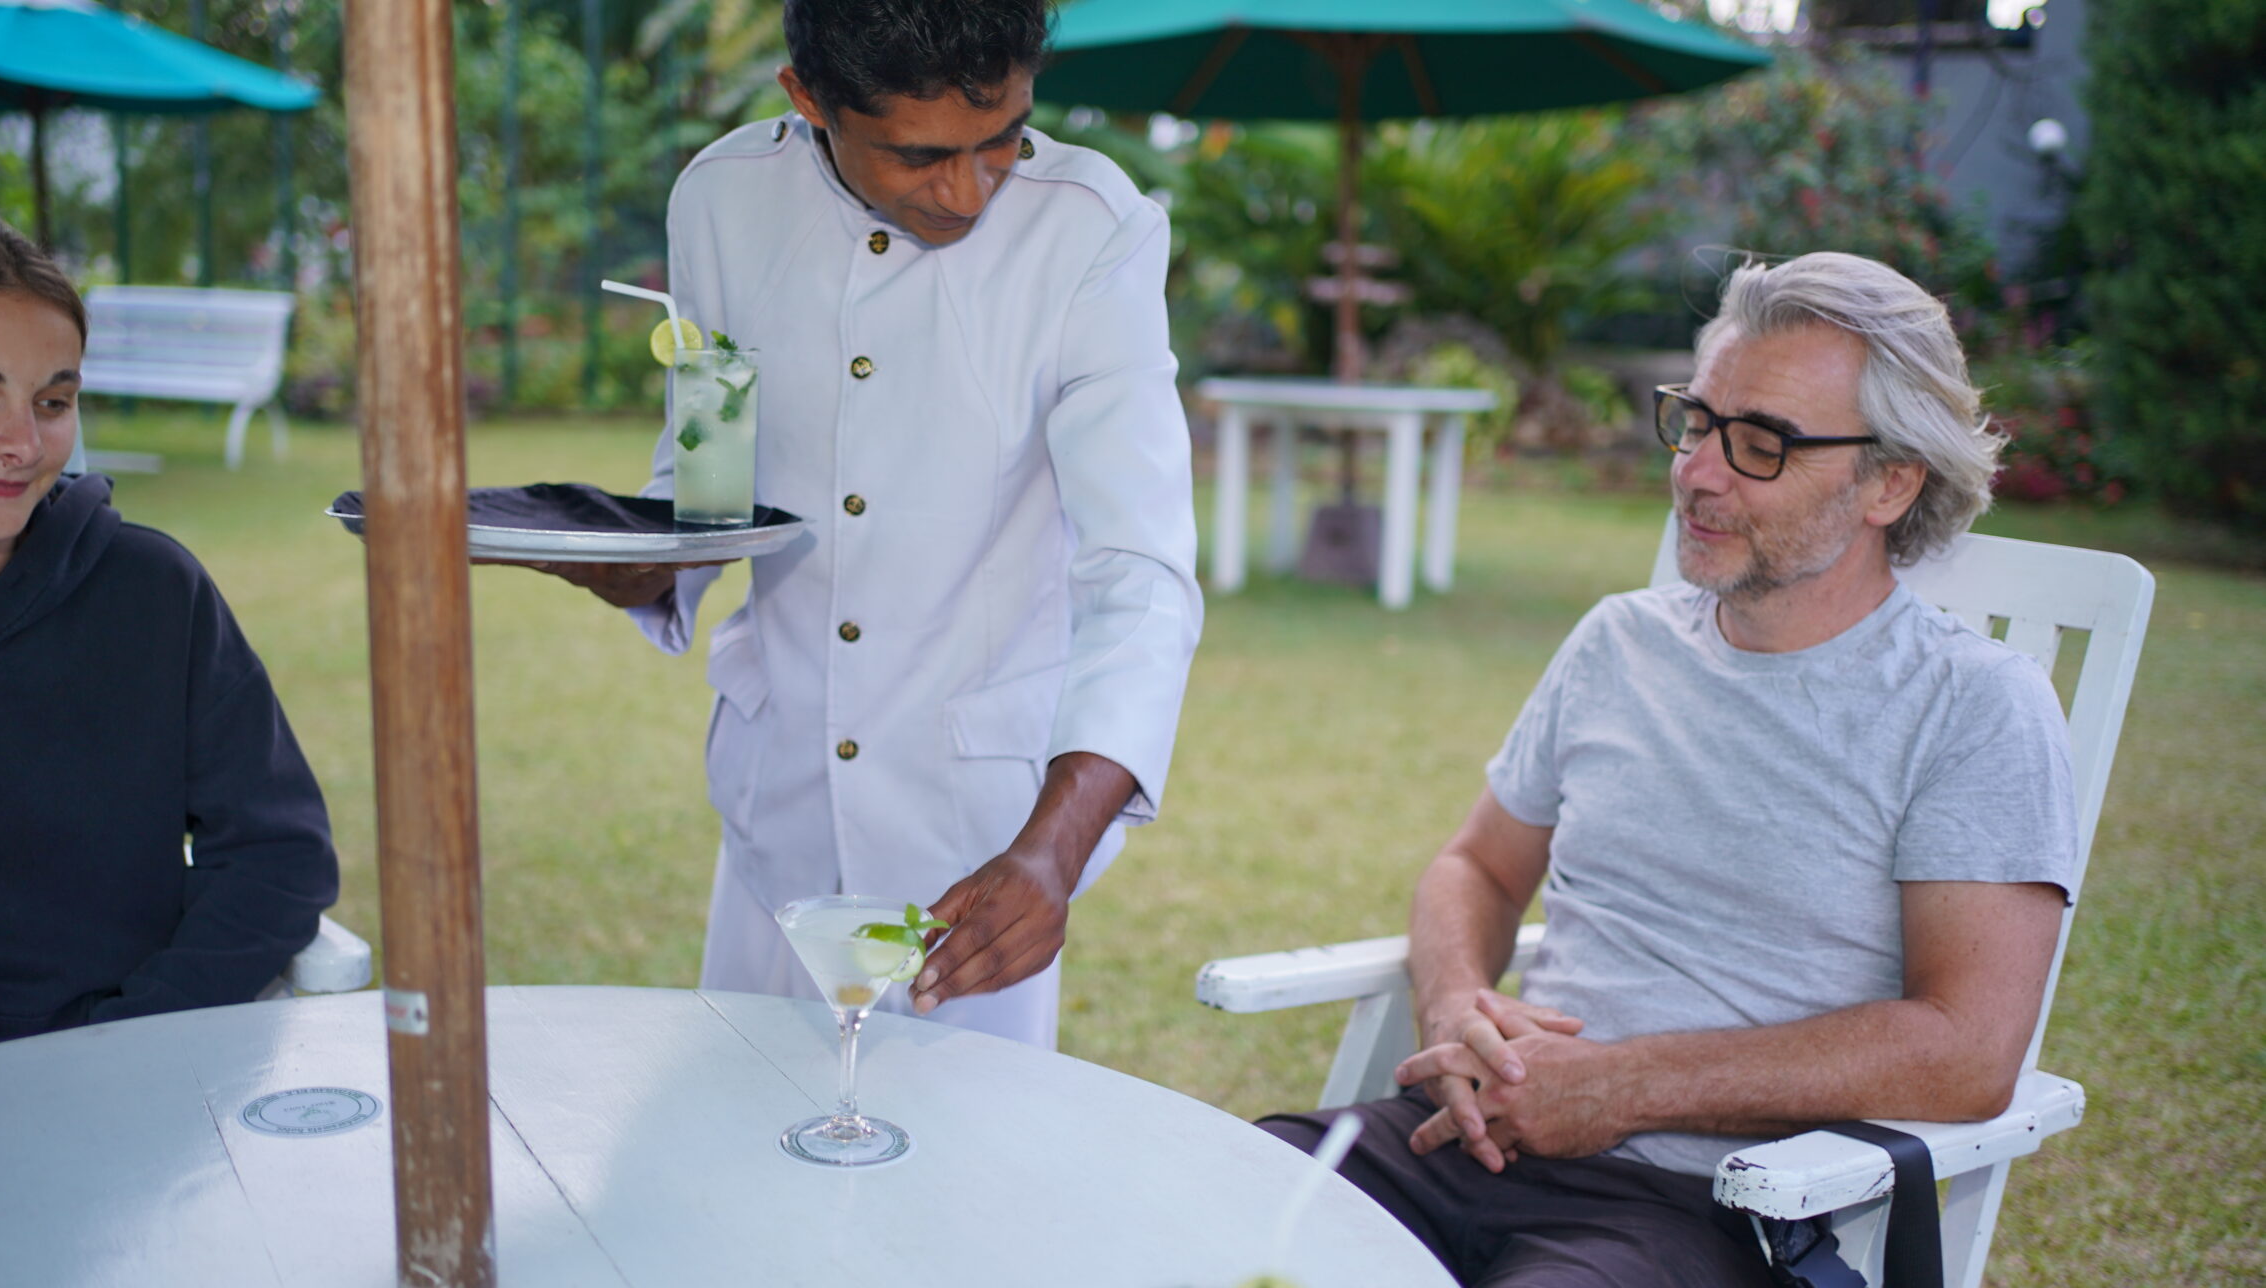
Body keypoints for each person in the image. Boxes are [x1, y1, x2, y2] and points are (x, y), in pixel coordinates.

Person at [1260, 252, 2077, 1286]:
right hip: (1459, 1140)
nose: (1696, 473)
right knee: (1188, 1206)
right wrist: (1458, 1003)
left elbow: (1966, 1049)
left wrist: (1620, 1088)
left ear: (1890, 482)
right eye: (1695, 422)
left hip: (1700, 1210)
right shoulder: (1620, 642)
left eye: (1761, 444)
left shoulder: (1971, 706)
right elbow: (1477, 867)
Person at [518, 0, 1199, 1046]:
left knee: (962, 1143)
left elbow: (1140, 571)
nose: (967, 190)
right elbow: (707, 470)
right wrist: (644, 561)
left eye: (1002, 139)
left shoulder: (1091, 231)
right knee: (744, 1109)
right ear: (807, 99)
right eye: (918, 155)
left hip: (981, 845)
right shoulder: (721, 200)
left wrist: (1051, 851)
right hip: (774, 805)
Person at [0, 208, 339, 1081]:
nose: (23, 443)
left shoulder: (152, 593)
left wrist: (125, 1047)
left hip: (127, 1083)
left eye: (53, 402)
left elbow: (276, 856)